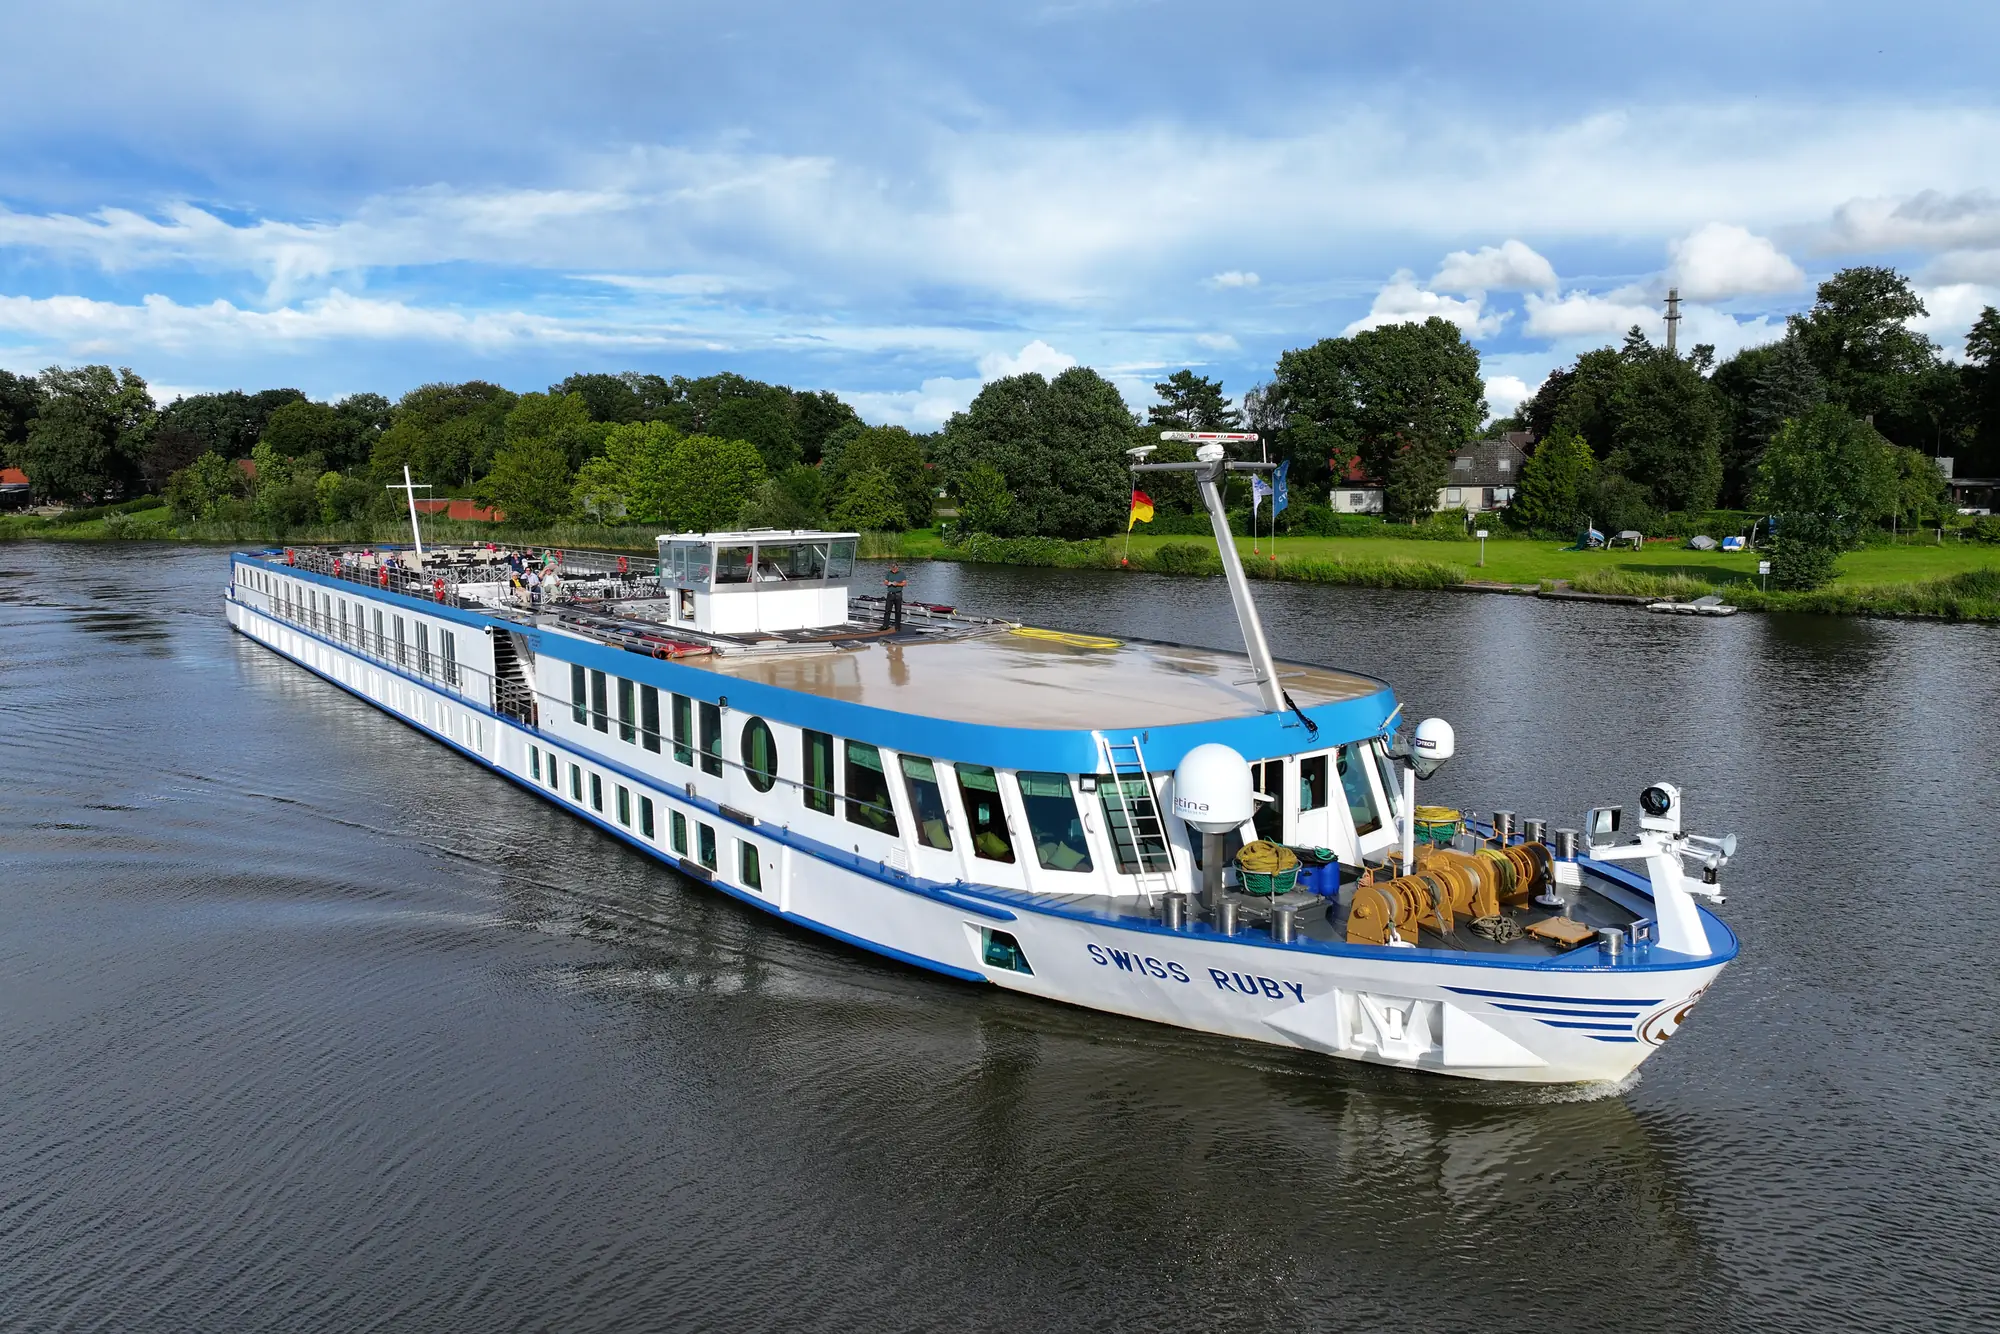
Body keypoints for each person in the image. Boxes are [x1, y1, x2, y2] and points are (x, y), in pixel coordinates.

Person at [881, 563, 907, 630]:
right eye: (892, 568)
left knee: (898, 611)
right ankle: (885, 625)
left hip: (898, 594)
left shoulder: (901, 574)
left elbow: (904, 583)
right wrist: (888, 583)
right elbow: (885, 582)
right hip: (890, 594)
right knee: (887, 610)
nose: (893, 569)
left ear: (897, 567)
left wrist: (897, 584)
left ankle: (897, 626)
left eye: (894, 568)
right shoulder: (889, 573)